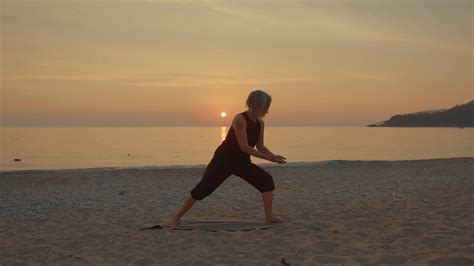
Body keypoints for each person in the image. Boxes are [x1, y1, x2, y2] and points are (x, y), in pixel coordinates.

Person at [167, 90, 287, 229]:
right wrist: (269, 159)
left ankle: (269, 217)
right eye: (266, 107)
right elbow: (245, 147)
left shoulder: (260, 123)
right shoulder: (240, 120)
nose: (267, 111)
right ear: (257, 104)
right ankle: (175, 218)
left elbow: (260, 146)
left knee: (266, 180)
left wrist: (273, 156)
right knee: (203, 189)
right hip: (223, 160)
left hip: (241, 162)